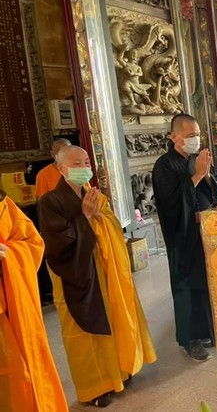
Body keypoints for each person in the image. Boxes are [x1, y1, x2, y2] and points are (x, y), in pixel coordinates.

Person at [38, 146, 157, 408]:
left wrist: (98, 218)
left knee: (111, 321)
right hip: (75, 274)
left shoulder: (93, 195)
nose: (84, 166)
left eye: (86, 161)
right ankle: (93, 389)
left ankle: (119, 374)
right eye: (76, 162)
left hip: (103, 271)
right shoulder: (50, 202)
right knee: (82, 334)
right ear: (61, 169)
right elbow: (56, 244)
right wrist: (86, 218)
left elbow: (112, 225)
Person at [152, 114, 217, 362]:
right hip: (182, 237)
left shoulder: (195, 160)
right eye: (191, 135)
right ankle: (190, 339)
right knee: (186, 288)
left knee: (205, 284)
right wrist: (195, 177)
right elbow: (170, 203)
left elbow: (212, 192)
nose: (196, 140)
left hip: (202, 233)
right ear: (175, 137)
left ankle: (208, 332)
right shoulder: (164, 165)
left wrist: (206, 176)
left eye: (198, 135)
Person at [0, 190, 68, 411]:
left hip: (13, 304)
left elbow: (33, 243)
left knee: (22, 375)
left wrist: (10, 254)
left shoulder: (4, 205)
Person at [34, 138, 73, 306]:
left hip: (79, 223)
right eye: (61, 152)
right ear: (53, 155)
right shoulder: (44, 175)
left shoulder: (76, 169)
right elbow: (42, 204)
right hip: (59, 229)